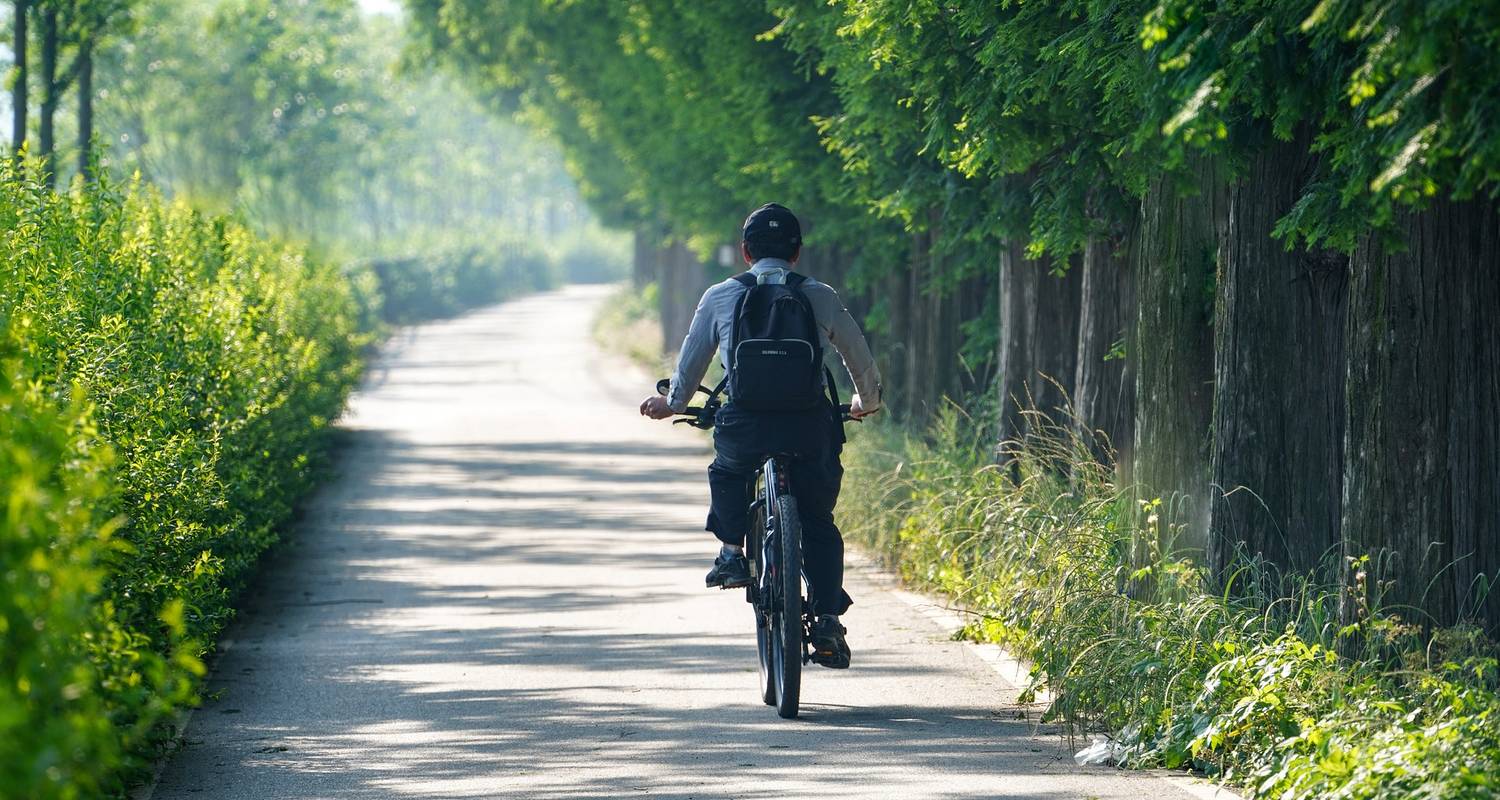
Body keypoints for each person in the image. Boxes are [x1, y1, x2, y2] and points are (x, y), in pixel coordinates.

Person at [638, 203, 883, 669]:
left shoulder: (720, 296)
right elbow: (857, 353)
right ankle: (828, 617)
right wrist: (865, 402)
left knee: (728, 470)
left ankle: (731, 552)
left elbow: (691, 365)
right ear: (797, 252)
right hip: (810, 426)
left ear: (745, 252)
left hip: (745, 424)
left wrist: (671, 403)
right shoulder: (819, 295)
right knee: (818, 520)